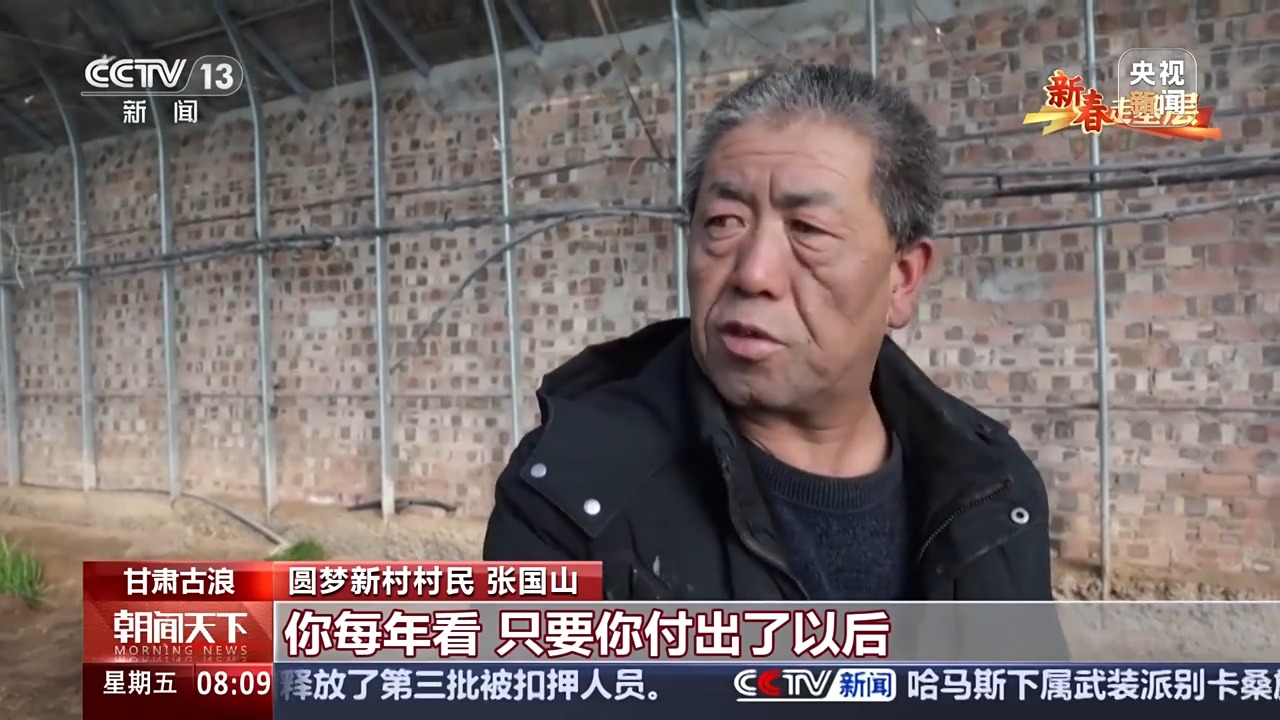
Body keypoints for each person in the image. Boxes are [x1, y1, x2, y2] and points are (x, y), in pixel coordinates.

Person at [482, 64, 1056, 604]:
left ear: (902, 279)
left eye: (808, 229)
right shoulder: (570, 495)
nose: (753, 273)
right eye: (723, 223)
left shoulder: (993, 494)